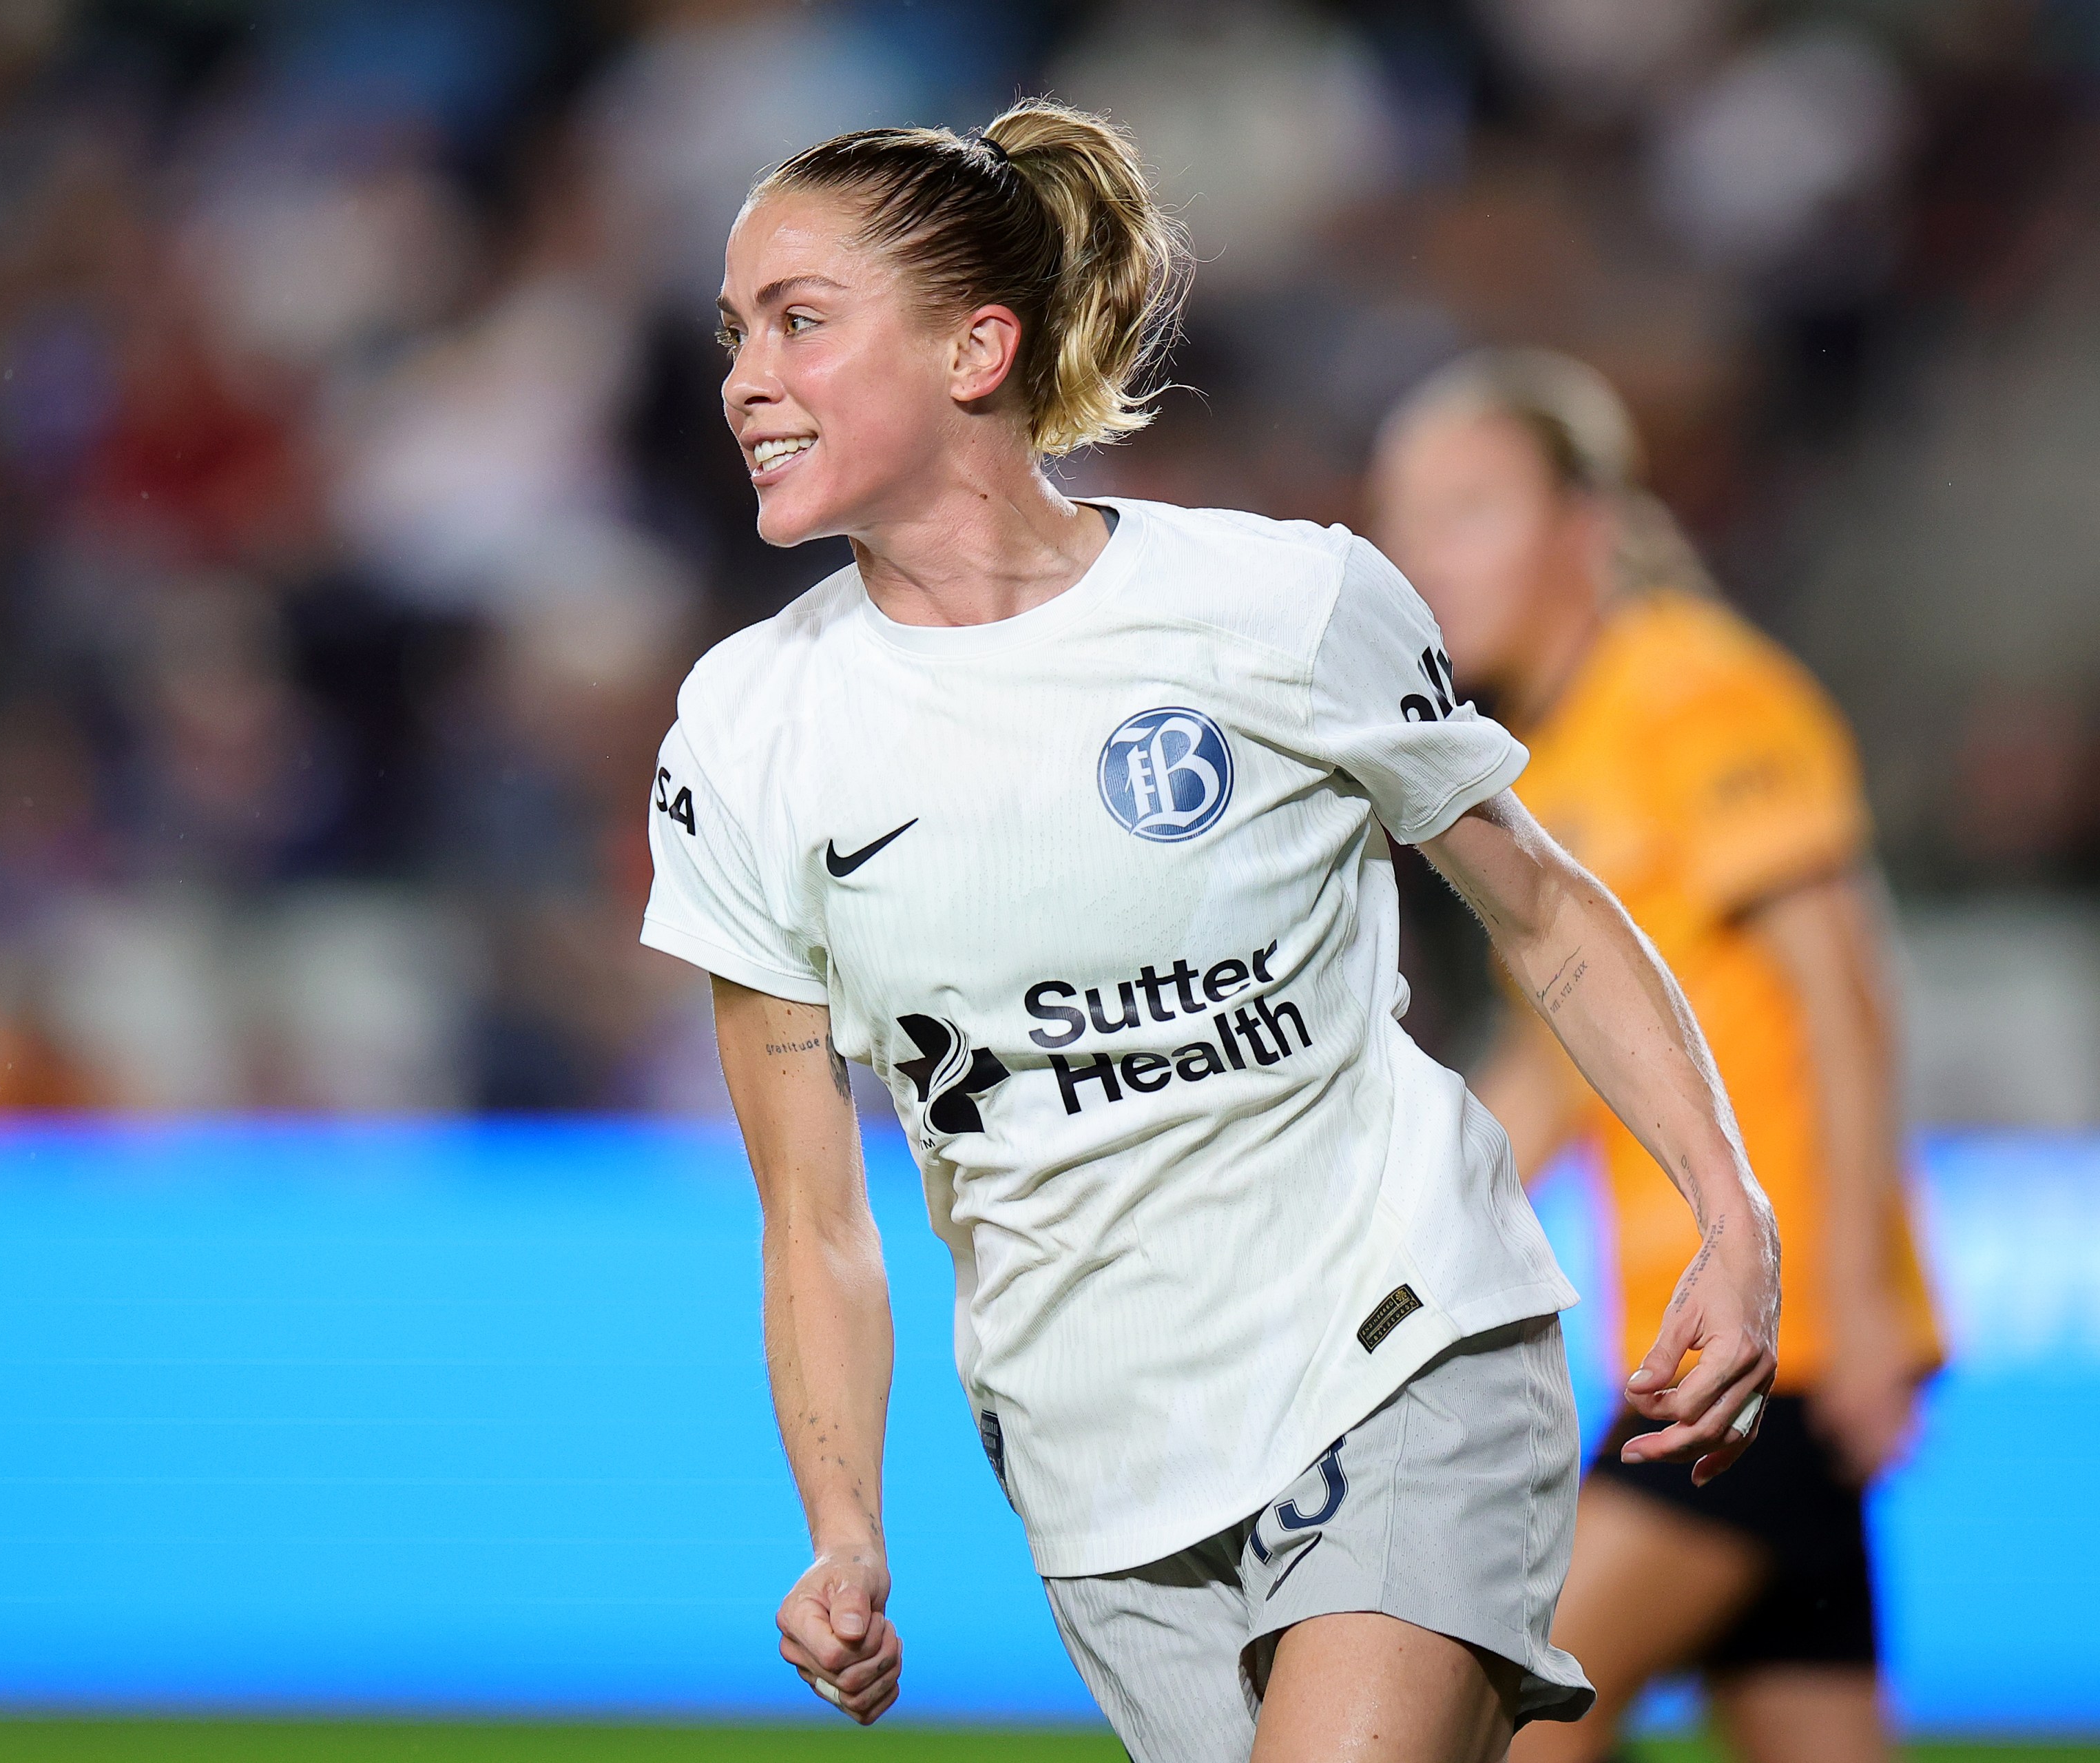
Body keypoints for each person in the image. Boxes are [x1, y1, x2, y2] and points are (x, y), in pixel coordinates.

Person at [641, 103, 1779, 1763]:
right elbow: (813, 1214)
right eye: (736, 331)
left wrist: (1724, 1203)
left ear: (978, 347)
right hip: (1099, 1461)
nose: (747, 376)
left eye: (800, 322)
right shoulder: (746, 734)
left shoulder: (1282, 607)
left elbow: (1543, 908)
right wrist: (845, 1520)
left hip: (1402, 1341)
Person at [1371, 351, 1942, 1763]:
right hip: (1705, 1344)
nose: (1421, 555)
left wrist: (1863, 1301)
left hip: (1779, 1340)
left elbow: (1845, 995)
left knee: (1516, 1723)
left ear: (1586, 523)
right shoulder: (1539, 760)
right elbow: (1561, 1079)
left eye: (1467, 509)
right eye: (1406, 516)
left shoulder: (1697, 690)